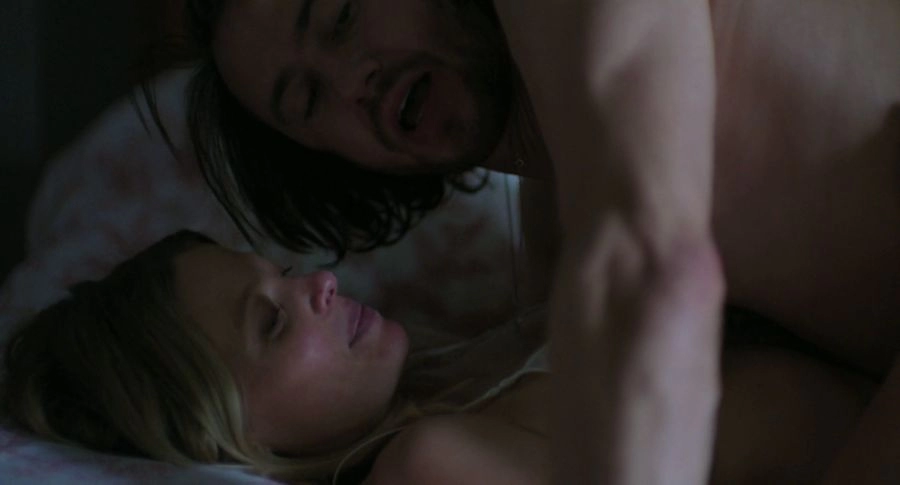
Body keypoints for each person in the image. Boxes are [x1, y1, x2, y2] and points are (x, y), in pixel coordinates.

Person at [151, 1, 900, 482]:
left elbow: (657, 271)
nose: (356, 82)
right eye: (309, 98)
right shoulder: (553, 231)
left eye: (343, 16)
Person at [0, 230, 876, 485]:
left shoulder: (450, 383)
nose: (321, 284)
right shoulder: (426, 463)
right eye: (270, 323)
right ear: (229, 440)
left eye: (285, 273)